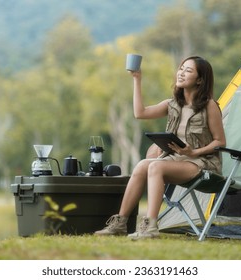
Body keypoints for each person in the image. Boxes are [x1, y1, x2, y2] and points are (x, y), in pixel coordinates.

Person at [95, 56, 226, 240]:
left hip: (202, 164)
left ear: (200, 79)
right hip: (176, 161)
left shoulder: (209, 106)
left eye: (188, 70)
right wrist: (137, 79)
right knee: (142, 165)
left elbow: (220, 142)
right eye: (181, 68)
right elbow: (140, 113)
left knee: (156, 165)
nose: (181, 73)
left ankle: (150, 227)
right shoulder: (172, 104)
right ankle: (120, 222)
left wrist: (193, 152)